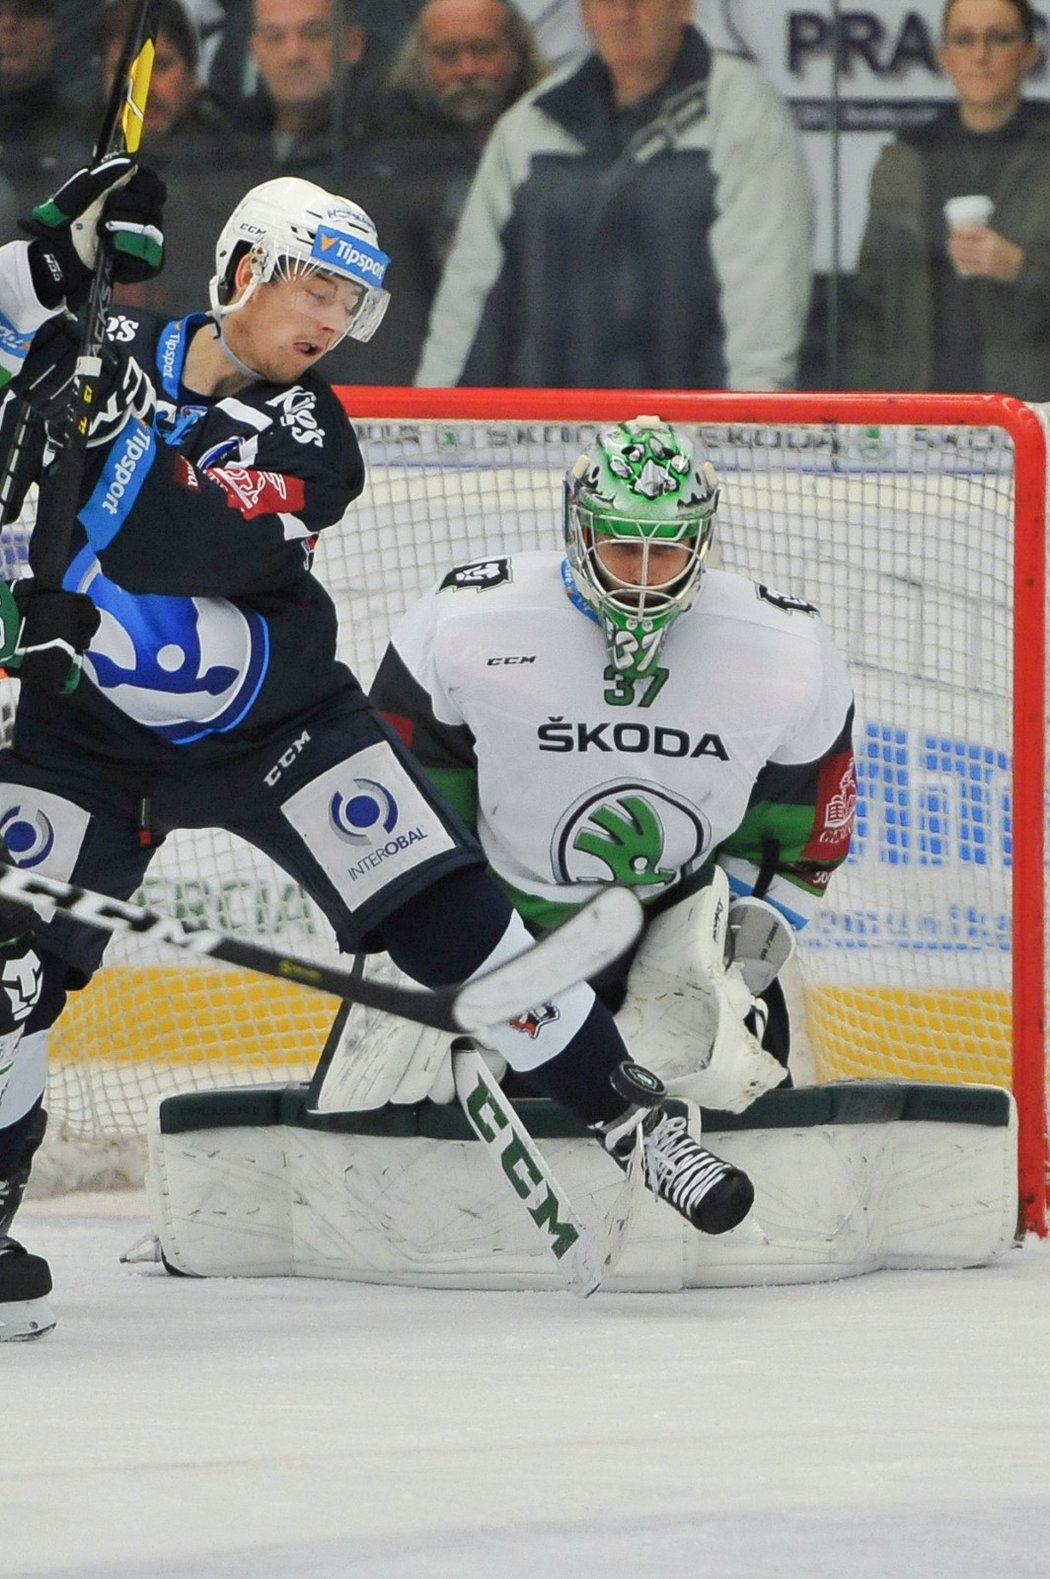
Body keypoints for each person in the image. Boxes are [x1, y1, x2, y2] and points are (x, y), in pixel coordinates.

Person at [0, 166, 757, 1340]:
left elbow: (179, 537)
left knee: (453, 919)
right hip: (80, 736)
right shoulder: (109, 341)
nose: (327, 321)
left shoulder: (312, 433)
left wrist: (90, 467)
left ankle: (628, 1115)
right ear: (243, 266)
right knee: (5, 969)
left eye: (348, 302)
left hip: (276, 723)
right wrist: (46, 266)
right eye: (313, 285)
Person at [366, 416, 856, 1112]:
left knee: (730, 1100)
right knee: (422, 1118)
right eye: (625, 545)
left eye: (671, 550)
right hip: (499, 927)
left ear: (702, 539)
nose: (647, 577)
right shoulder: (465, 624)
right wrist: (463, 953)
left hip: (678, 931)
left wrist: (722, 968)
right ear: (581, 527)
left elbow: (798, 833)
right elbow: (407, 806)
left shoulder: (784, 650)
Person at [414, 0, 813, 389]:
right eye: (605, 2)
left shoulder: (743, 112)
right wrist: (429, 425)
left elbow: (764, 295)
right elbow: (467, 299)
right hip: (549, 437)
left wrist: (754, 427)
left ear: (684, 7)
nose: (623, 14)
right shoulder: (531, 125)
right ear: (585, 14)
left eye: (640, 1)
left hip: (693, 438)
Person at [845, 0, 1050, 400]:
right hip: (921, 413)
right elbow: (869, 304)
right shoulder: (907, 158)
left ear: (1030, 52)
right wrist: (867, 409)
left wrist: (1022, 269)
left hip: (1034, 413)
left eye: (999, 38)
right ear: (944, 57)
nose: (980, 55)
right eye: (964, 39)